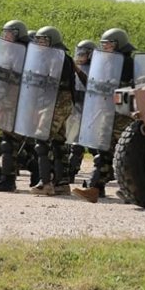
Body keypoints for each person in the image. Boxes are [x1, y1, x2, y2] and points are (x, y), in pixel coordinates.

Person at [72, 27, 135, 203]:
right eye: (104, 45)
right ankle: (95, 188)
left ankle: (131, 189)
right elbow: (96, 86)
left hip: (122, 115)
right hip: (108, 113)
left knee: (125, 153)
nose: (105, 48)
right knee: (105, 151)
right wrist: (79, 72)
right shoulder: (107, 63)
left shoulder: (127, 64)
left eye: (109, 45)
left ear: (118, 45)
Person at [28, 26, 76, 196]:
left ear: (52, 41)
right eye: (38, 40)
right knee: (57, 142)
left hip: (57, 102)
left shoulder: (59, 58)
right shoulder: (52, 57)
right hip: (57, 102)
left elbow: (51, 81)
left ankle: (45, 182)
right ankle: (62, 183)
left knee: (42, 139)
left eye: (44, 40)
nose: (40, 43)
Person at [0, 19, 33, 192]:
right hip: (8, 102)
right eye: (4, 33)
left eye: (9, 33)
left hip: (19, 103)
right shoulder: (10, 52)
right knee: (10, 142)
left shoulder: (26, 52)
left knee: (10, 142)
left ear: (17, 34)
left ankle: (9, 180)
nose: (5, 36)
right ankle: (9, 178)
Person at [66, 40, 95, 183]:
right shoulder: (74, 67)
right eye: (79, 52)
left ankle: (98, 178)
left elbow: (90, 84)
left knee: (95, 147)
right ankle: (70, 173)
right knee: (74, 144)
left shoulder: (96, 68)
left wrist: (78, 70)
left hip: (92, 108)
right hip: (76, 106)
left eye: (83, 53)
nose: (80, 56)